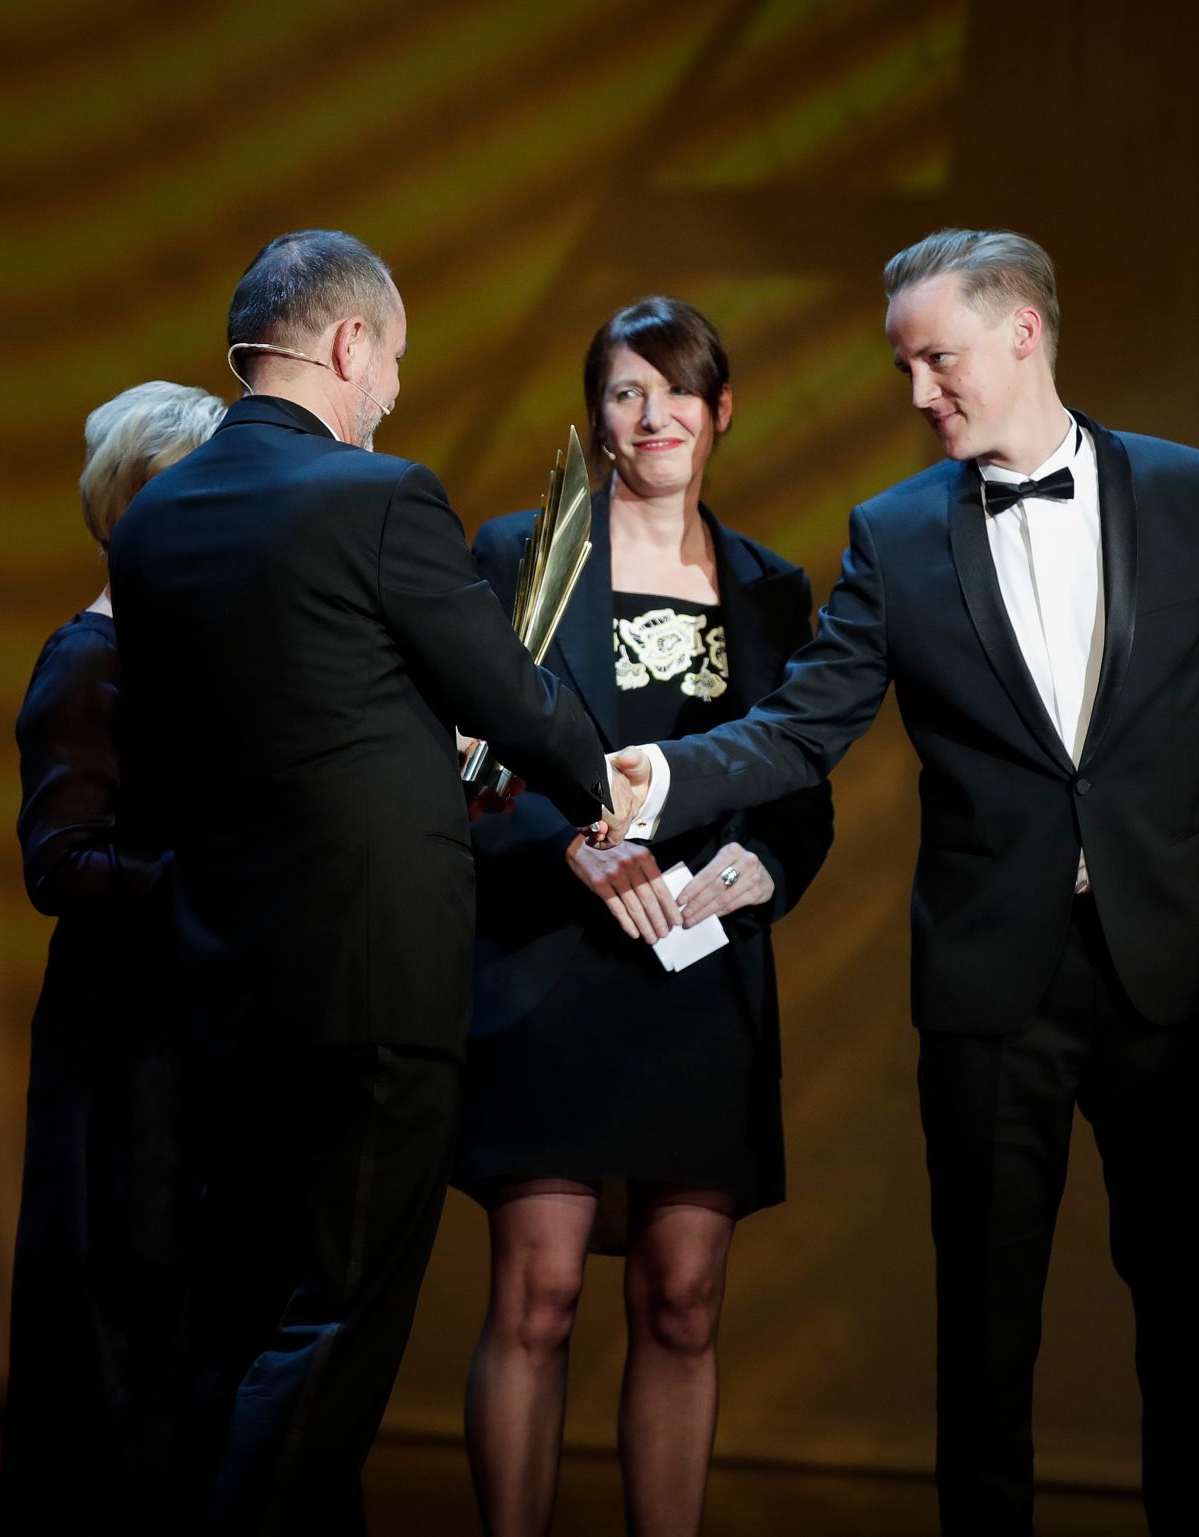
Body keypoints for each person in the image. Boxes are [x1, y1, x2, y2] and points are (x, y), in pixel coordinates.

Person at [609, 229, 1199, 1535]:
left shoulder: (1190, 495)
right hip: (996, 990)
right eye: (902, 368)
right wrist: (659, 778)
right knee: (986, 1345)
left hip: (1166, 971)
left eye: (936, 359)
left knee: (1191, 1325)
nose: (918, 392)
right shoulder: (893, 533)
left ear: (1022, 335)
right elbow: (803, 726)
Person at [107, 230, 623, 1535]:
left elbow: (199, 743)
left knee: (244, 1315)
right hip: (372, 981)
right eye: (392, 360)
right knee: (337, 1316)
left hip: (221, 980)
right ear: (346, 345)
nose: (391, 389)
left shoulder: (158, 518)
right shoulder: (378, 497)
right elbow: (509, 694)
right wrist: (610, 788)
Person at [456, 298, 833, 1537]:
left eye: (676, 391)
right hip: (548, 960)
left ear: (719, 412)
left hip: (699, 972)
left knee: (682, 1299)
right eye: (624, 392)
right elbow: (456, 768)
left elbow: (799, 796)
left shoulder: (773, 591)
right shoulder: (516, 555)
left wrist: (747, 877)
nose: (651, 414)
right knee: (540, 1294)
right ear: (596, 416)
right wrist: (561, 846)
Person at [0, 381, 227, 1536]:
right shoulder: (88, 662)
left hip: (190, 1040)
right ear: (140, 507)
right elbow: (63, 865)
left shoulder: (198, 662)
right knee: (118, 1334)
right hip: (122, 1053)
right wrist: (236, 876)